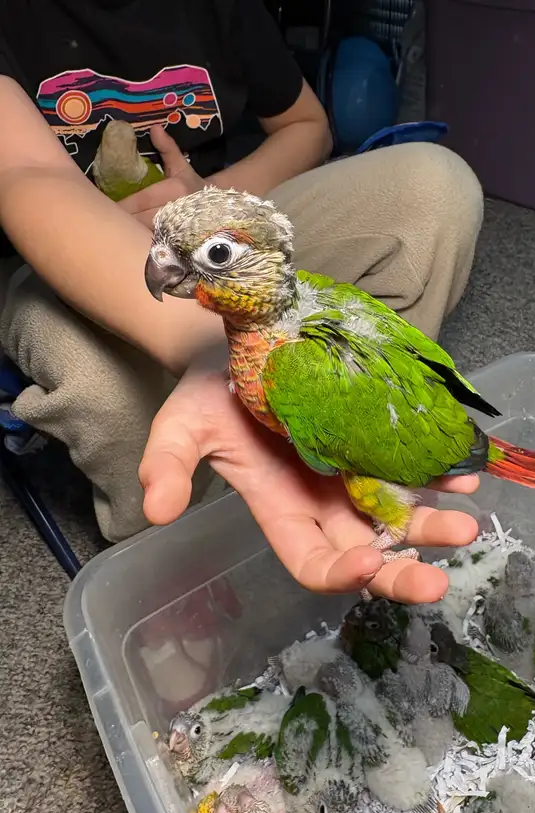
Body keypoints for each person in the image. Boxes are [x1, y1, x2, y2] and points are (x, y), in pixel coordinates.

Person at [0, 0, 484, 603]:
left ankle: (368, 444)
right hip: (54, 255)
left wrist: (211, 197)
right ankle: (184, 585)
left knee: (433, 188)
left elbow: (308, 126)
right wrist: (218, 349)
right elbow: (23, 171)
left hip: (226, 220)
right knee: (114, 400)